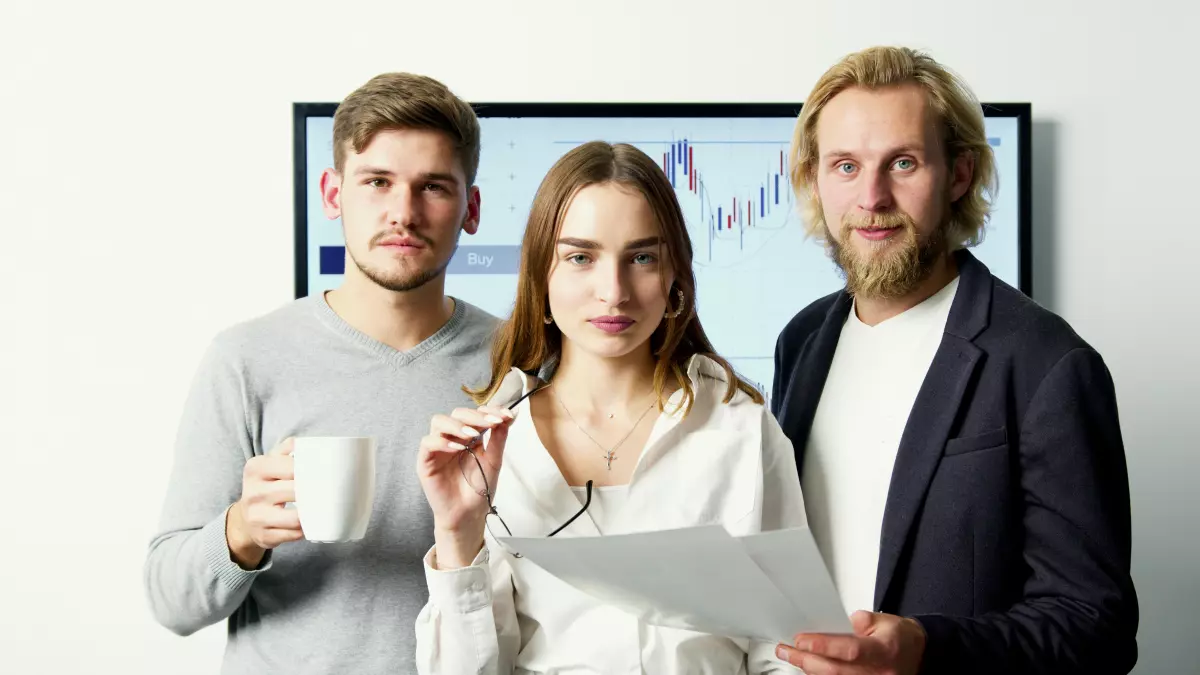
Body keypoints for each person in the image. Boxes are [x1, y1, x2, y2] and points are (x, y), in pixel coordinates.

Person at [770, 46, 1138, 674]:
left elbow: (1095, 626)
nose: (872, 197)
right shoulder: (802, 340)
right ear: (815, 179)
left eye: (903, 163)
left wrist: (927, 649)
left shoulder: (1048, 365)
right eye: (845, 166)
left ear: (959, 175)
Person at [143, 72, 498, 673]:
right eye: (377, 182)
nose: (403, 213)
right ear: (333, 194)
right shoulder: (246, 359)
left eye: (433, 187)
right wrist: (241, 532)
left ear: (471, 208)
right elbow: (170, 601)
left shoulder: (521, 361)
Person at [412, 141, 808, 673]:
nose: (613, 291)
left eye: (641, 257)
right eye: (580, 257)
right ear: (540, 277)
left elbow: (786, 652)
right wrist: (458, 537)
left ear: (674, 280)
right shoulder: (495, 448)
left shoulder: (739, 429)